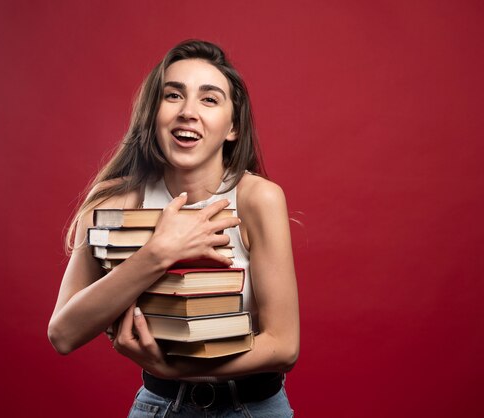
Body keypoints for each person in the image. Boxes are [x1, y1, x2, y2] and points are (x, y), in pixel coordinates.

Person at [48, 39, 299, 417]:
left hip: (253, 408)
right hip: (159, 406)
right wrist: (159, 253)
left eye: (209, 99)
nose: (188, 112)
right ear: (153, 114)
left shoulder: (257, 199)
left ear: (232, 127)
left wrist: (176, 368)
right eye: (172, 95)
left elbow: (284, 346)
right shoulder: (116, 203)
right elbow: (63, 334)